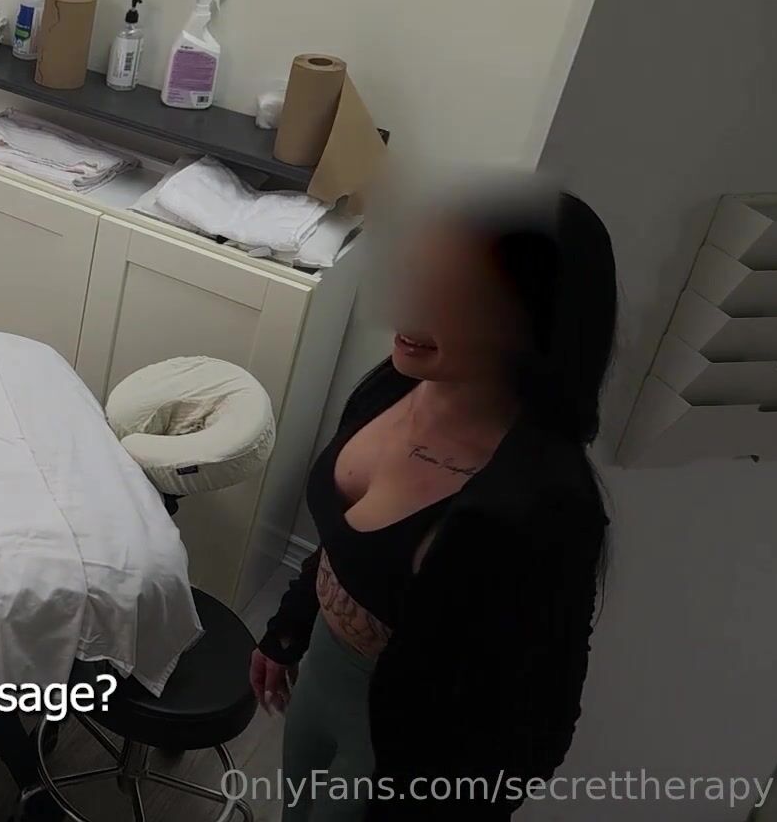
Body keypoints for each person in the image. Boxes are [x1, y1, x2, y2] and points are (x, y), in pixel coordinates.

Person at [250, 188, 616, 820]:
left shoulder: (542, 507)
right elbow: (345, 544)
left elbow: (540, 724)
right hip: (319, 690)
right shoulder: (392, 385)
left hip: (403, 760)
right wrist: (290, 627)